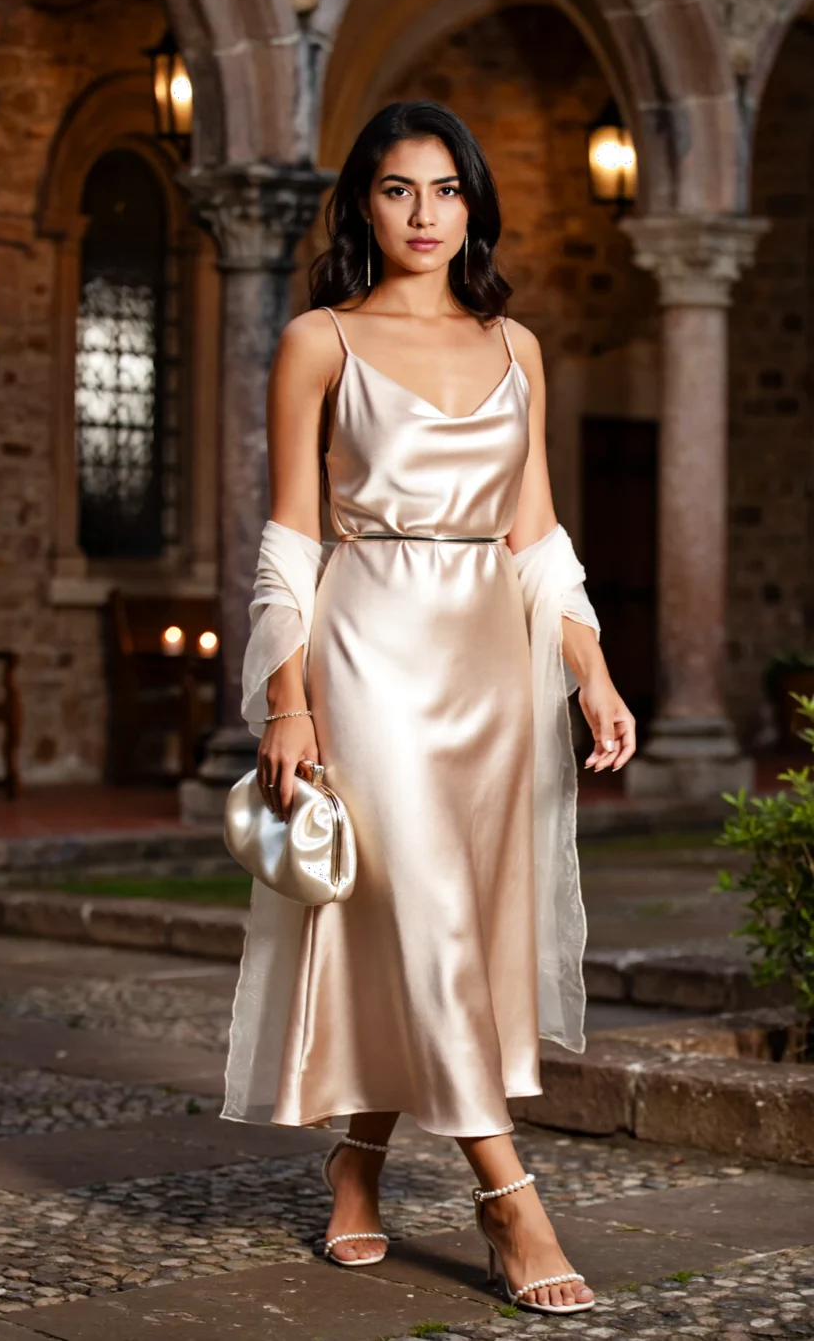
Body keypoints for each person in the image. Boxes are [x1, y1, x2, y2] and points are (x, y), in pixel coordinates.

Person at [222, 100, 636, 1315]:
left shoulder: (517, 348)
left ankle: (357, 1161)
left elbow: (536, 533)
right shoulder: (318, 340)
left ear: (472, 206)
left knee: (433, 921)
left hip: (489, 667)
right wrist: (287, 703)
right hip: (366, 650)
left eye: (446, 191)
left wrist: (590, 668)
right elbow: (290, 538)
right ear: (361, 202)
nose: (423, 215)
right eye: (398, 190)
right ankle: (510, 1199)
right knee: (430, 916)